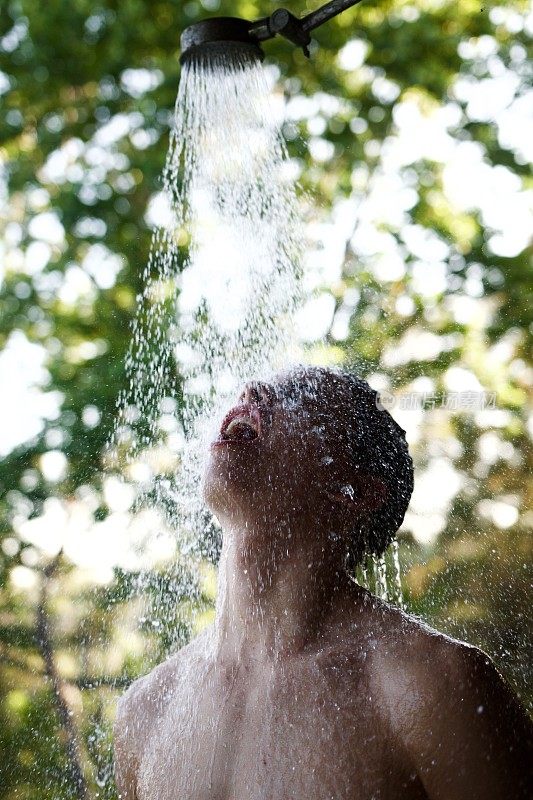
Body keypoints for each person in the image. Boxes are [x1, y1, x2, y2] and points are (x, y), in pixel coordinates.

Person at [114, 366, 533, 799]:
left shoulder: (433, 687)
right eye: (259, 385)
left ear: (352, 490)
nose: (253, 389)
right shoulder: (146, 710)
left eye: (301, 392)